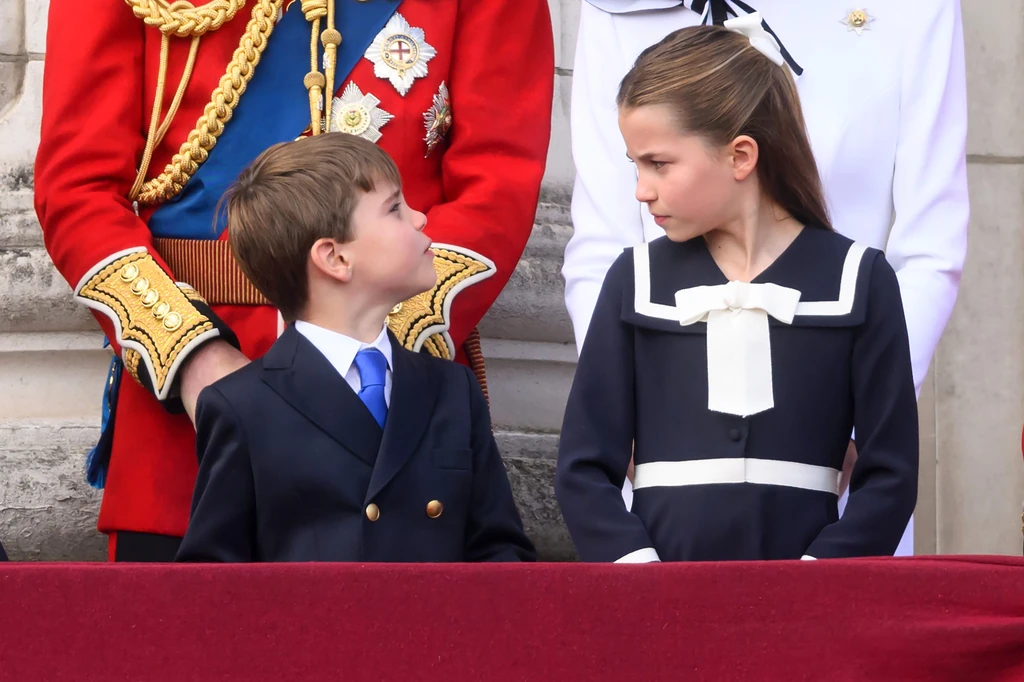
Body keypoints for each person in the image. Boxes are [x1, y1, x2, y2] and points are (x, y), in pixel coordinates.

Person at [34, 0, 553, 561]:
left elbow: (495, 186)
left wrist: (371, 363)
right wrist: (193, 361)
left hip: (388, 415)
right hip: (189, 421)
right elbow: (78, 189)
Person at [562, 0, 968, 556]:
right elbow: (585, 466)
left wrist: (823, 568)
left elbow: (932, 245)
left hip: (821, 564)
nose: (642, 188)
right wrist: (636, 567)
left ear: (743, 155)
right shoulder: (634, 280)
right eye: (639, 165)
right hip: (663, 570)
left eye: (658, 165)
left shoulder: (859, 278)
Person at [176, 134, 535, 563]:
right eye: (395, 209)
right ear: (335, 259)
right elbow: (213, 585)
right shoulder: (242, 405)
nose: (420, 219)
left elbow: (499, 551)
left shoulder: (452, 388)